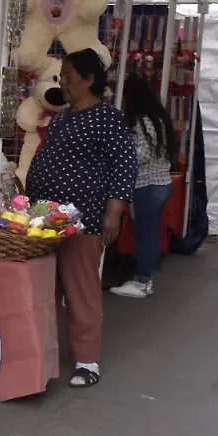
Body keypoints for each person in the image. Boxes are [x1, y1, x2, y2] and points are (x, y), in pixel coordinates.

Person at [26, 49, 137, 388]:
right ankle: (44, 353)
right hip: (46, 217)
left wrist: (113, 213)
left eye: (69, 76)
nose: (63, 83)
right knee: (48, 287)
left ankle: (87, 360)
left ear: (89, 79)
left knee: (80, 288)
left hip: (83, 217)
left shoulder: (107, 119)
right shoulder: (62, 117)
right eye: (61, 76)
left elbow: (124, 166)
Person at [110, 76, 176, 299]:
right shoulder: (158, 117)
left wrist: (119, 158)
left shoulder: (142, 120)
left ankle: (142, 281)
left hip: (146, 184)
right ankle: (145, 277)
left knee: (144, 234)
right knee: (150, 233)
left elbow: (143, 153)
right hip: (159, 183)